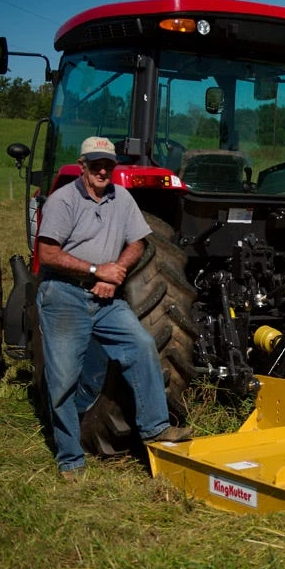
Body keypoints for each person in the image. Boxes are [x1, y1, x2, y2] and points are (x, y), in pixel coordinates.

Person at [36, 136, 193, 479]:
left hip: (106, 297)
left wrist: (116, 272)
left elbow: (138, 242)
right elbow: (47, 254)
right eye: (96, 164)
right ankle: (70, 459)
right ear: (83, 166)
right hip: (65, 295)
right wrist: (95, 270)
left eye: (108, 164)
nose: (103, 170)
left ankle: (155, 428)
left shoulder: (121, 197)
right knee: (63, 380)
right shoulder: (64, 200)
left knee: (141, 345)